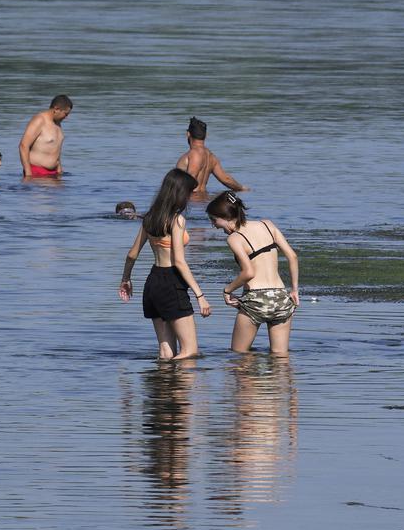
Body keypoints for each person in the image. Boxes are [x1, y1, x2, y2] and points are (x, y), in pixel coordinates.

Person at [119, 168, 212, 359]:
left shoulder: (149, 217)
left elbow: (131, 254)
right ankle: (179, 389)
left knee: (166, 352)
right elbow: (179, 261)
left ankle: (162, 388)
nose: (190, 197)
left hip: (153, 284)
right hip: (172, 283)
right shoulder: (177, 220)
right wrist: (199, 295)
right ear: (179, 193)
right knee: (190, 352)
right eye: (188, 192)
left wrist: (126, 279)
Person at [206, 191, 299, 354]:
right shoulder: (267, 225)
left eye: (214, 220)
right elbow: (292, 256)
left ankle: (251, 379)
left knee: (238, 356)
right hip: (281, 298)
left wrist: (227, 290)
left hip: (256, 300)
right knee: (281, 359)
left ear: (226, 217)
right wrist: (295, 290)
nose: (213, 225)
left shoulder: (234, 238)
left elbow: (248, 272)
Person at [176, 116, 245, 194]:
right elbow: (226, 179)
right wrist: (242, 188)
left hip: (192, 201)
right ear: (206, 135)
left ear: (188, 134)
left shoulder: (194, 154)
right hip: (204, 201)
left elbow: (190, 180)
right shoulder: (211, 156)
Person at [19, 94, 72, 178]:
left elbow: (55, 150)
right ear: (56, 109)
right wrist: (28, 173)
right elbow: (23, 145)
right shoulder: (39, 120)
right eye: (65, 114)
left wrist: (59, 170)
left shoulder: (57, 123)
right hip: (37, 173)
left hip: (54, 173)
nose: (67, 117)